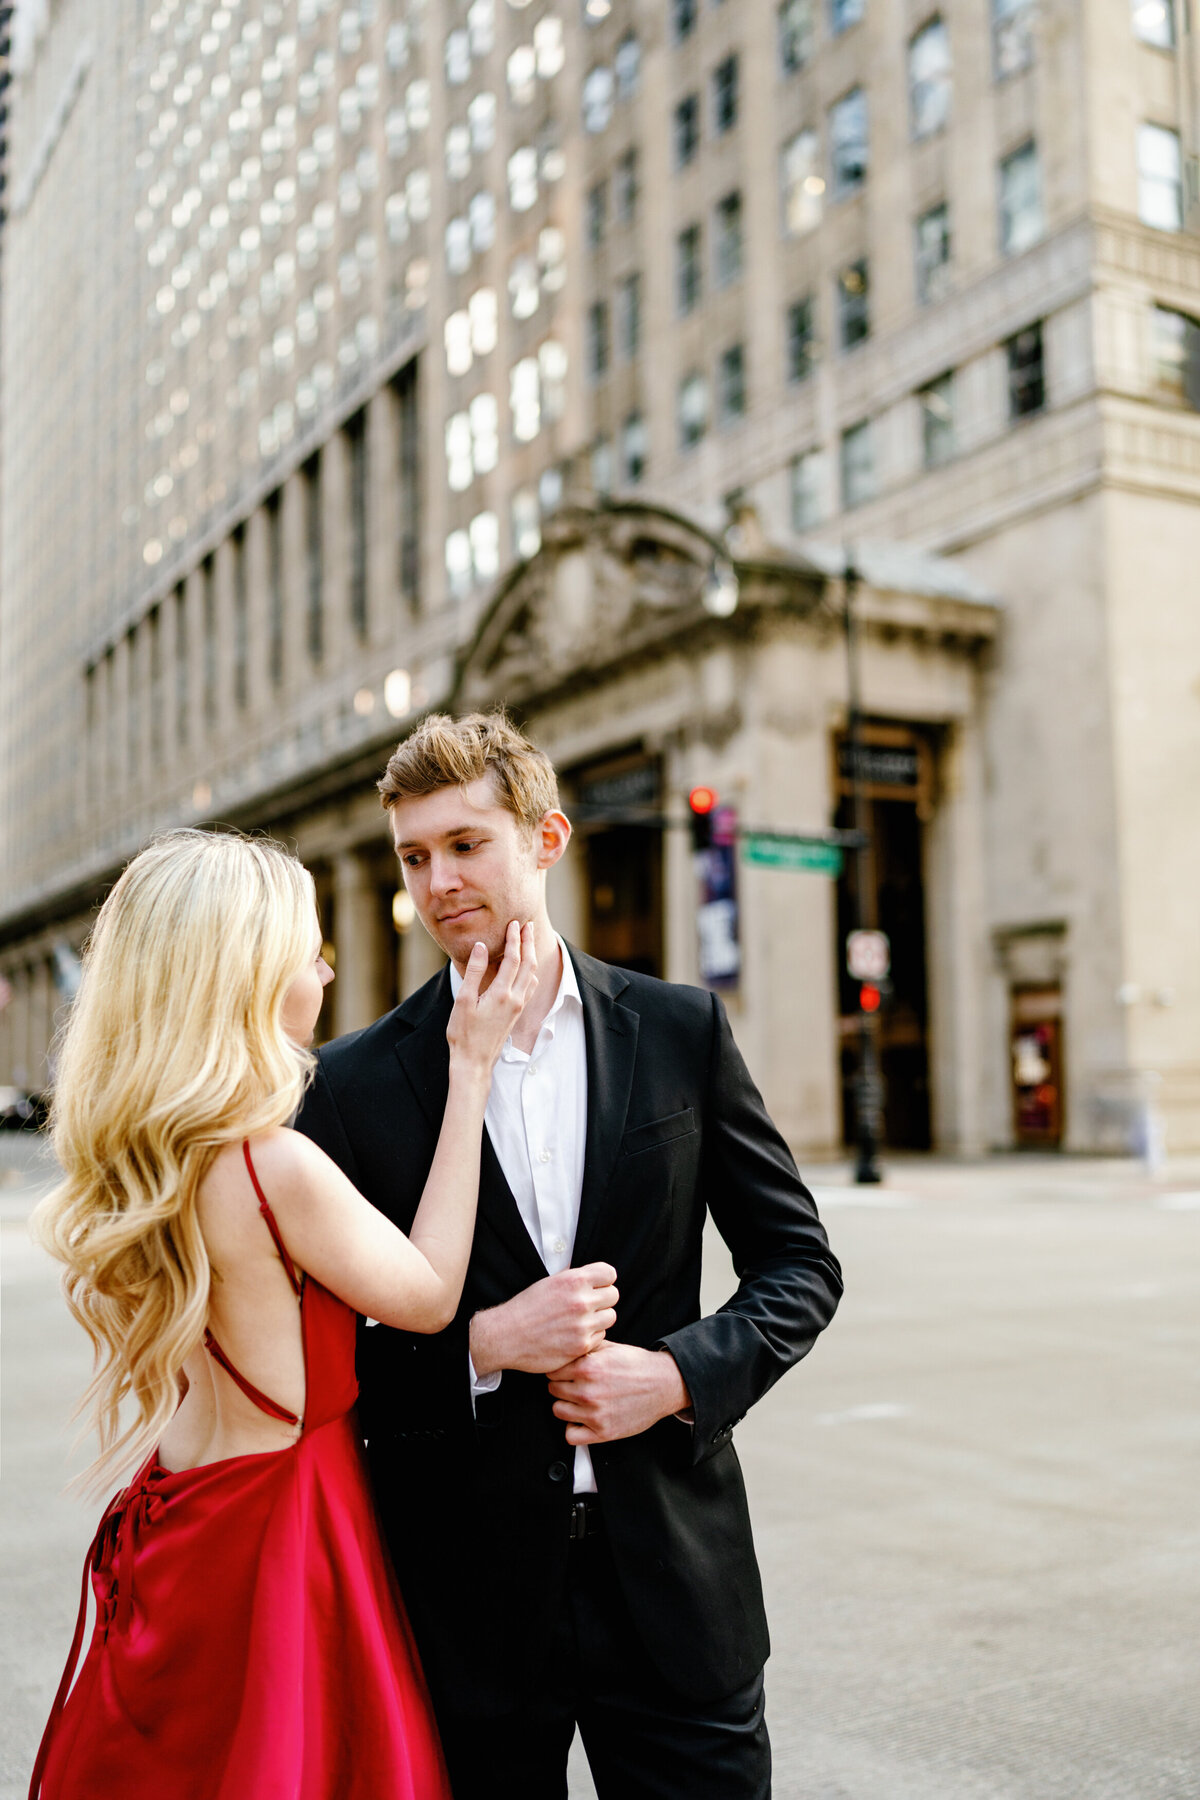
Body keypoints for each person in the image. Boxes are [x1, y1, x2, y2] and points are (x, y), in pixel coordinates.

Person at [295, 711, 844, 1800]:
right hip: (467, 1609)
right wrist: (484, 1344)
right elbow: (318, 1362)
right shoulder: (349, 1086)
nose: (439, 880)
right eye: (415, 856)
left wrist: (677, 1375)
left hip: (677, 1588)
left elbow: (800, 1264)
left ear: (545, 839)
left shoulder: (681, 1030)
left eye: (466, 844)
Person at [27, 827, 537, 1800]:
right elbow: (429, 1296)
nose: (324, 970)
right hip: (285, 1524)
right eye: (309, 951)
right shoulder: (272, 1166)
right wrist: (468, 1074)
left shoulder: (154, 1159)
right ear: (248, 976)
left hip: (181, 1514)